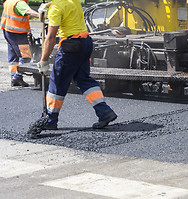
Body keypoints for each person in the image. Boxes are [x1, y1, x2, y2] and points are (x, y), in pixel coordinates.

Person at [36, 0, 117, 130]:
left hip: (71, 47)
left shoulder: (57, 8)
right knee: (83, 79)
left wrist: (43, 60)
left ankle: (50, 119)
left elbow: (50, 37)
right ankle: (105, 112)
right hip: (85, 42)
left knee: (57, 82)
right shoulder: (73, 1)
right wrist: (48, 6)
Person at [1, 0, 39, 87]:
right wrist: (44, 16)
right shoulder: (19, 3)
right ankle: (17, 77)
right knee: (25, 56)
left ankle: (13, 77)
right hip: (18, 33)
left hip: (8, 31)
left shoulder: (9, 1)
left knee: (13, 57)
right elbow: (29, 12)